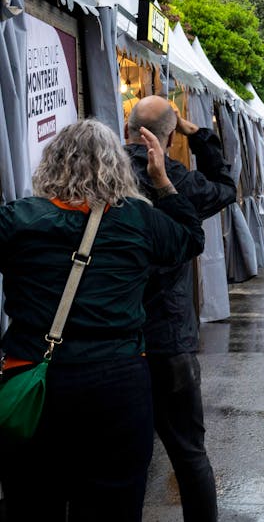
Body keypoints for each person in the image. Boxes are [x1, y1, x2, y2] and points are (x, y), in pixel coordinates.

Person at [0, 119, 204, 521]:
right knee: (113, 505)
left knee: (30, 504)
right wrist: (162, 182)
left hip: (32, 380)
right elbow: (190, 238)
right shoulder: (138, 221)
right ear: (119, 167)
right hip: (117, 383)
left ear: (51, 164)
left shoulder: (17, 220)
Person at [125, 95, 236, 522]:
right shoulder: (177, 180)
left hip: (115, 337)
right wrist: (202, 136)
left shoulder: (104, 176)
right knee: (189, 454)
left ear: (128, 128)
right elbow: (226, 188)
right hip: (168, 336)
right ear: (170, 136)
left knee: (122, 459)